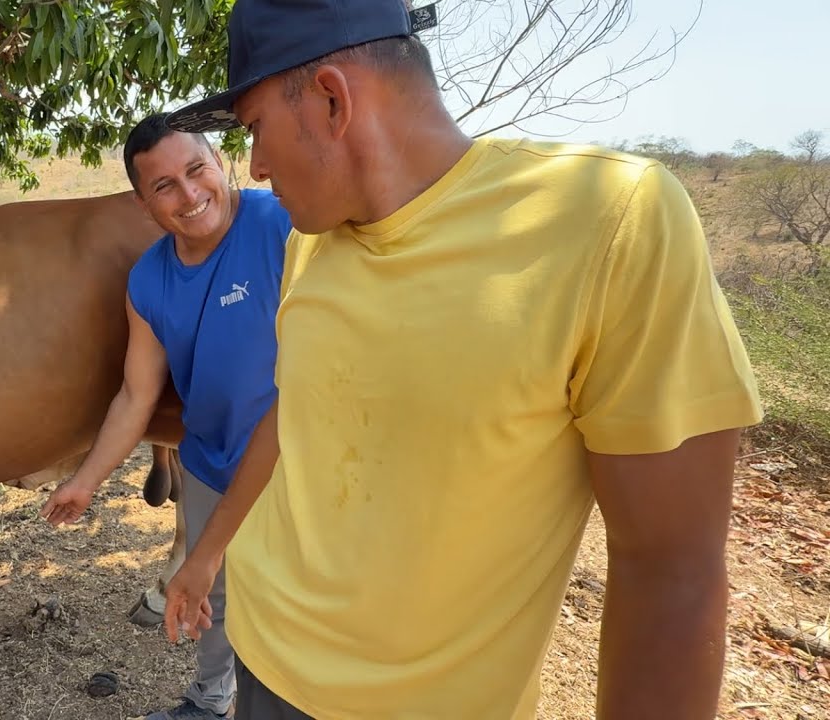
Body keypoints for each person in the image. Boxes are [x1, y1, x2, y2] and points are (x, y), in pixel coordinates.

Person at [158, 1, 766, 719]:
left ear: (331, 98)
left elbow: (672, 570)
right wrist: (208, 554)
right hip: (262, 655)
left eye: (256, 129)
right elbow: (295, 414)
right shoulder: (309, 243)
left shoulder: (608, 220)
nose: (253, 166)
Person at [39, 111, 293, 720]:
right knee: (212, 598)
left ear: (220, 162)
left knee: (295, 602)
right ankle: (209, 700)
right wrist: (86, 480)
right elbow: (136, 395)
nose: (190, 194)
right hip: (208, 461)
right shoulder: (148, 279)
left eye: (196, 170)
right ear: (143, 204)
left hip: (297, 461)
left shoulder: (281, 224)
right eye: (165, 186)